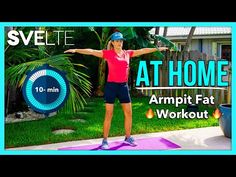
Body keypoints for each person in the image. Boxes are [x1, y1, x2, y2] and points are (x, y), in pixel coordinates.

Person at [64, 31, 169, 149]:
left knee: (128, 113)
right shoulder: (108, 54)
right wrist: (77, 50)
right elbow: (92, 52)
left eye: (121, 41)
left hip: (123, 87)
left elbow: (142, 51)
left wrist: (157, 49)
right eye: (117, 41)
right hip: (111, 87)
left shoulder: (127, 53)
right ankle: (104, 140)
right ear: (113, 43)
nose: (120, 43)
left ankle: (128, 137)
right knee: (109, 114)